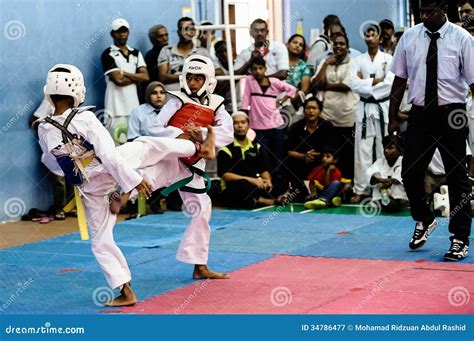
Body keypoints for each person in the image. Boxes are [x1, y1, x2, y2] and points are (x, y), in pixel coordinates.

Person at [36, 64, 218, 306]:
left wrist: (83, 172)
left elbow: (52, 164)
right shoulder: (86, 117)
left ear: (49, 92)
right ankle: (196, 148)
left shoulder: (44, 128)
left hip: (91, 187)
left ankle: (125, 291)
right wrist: (134, 179)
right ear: (77, 90)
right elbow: (109, 155)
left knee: (101, 240)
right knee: (148, 145)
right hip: (116, 168)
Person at [388, 0, 474, 261]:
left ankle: (460, 238)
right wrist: (392, 118)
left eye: (429, 11)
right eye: (420, 12)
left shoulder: (462, 38)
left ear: (444, 9)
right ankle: (424, 218)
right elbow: (399, 79)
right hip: (420, 113)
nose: (423, 16)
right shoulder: (410, 37)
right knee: (410, 172)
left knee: (457, 176)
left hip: (453, 114)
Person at [148, 55, 234, 279]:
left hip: (193, 163)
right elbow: (155, 127)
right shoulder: (176, 100)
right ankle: (115, 194)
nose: (194, 82)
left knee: (202, 209)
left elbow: (228, 132)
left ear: (208, 80)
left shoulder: (216, 104)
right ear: (183, 78)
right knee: (139, 183)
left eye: (199, 78)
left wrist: (203, 134)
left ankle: (199, 265)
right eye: (190, 77)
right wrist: (180, 134)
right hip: (170, 157)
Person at [351, 24, 394, 204]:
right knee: (362, 149)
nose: (370, 38)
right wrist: (376, 81)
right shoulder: (357, 60)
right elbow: (353, 83)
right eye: (367, 35)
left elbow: (391, 83)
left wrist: (366, 83)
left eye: (373, 34)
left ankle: (383, 188)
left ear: (380, 38)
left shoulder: (389, 59)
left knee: (383, 149)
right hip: (364, 108)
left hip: (383, 107)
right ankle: (361, 189)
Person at [312, 32, 359, 180]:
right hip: (327, 116)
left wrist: (325, 86)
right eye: (336, 43)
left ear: (347, 47)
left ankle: (347, 186)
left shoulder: (353, 63)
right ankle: (330, 184)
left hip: (347, 116)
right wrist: (326, 65)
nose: (338, 46)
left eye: (342, 43)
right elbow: (316, 83)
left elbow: (346, 85)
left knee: (347, 153)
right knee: (330, 153)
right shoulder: (325, 62)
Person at [218, 112, 289, 209]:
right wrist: (253, 181)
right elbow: (226, 176)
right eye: (236, 123)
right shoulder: (225, 149)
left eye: (243, 122)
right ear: (231, 126)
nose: (240, 126)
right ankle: (267, 201)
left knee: (281, 180)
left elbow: (263, 169)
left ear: (248, 125)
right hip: (236, 186)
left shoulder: (256, 146)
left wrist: (267, 181)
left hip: (254, 186)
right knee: (242, 185)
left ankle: (256, 200)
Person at [241, 57, 297, 172]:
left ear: (265, 69)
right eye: (254, 69)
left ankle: (279, 181)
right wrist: (244, 118)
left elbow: (292, 89)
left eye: (260, 68)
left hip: (276, 124)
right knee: (263, 155)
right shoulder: (249, 80)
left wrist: (281, 101)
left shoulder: (274, 82)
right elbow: (246, 100)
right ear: (251, 70)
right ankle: (267, 182)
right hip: (258, 126)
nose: (257, 71)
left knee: (279, 155)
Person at [101, 18, 149, 136]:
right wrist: (137, 76)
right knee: (116, 142)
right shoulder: (108, 54)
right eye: (118, 31)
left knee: (134, 142)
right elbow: (119, 80)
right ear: (112, 34)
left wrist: (125, 73)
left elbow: (146, 76)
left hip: (133, 105)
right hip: (115, 107)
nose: (122, 35)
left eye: (124, 31)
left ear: (128, 32)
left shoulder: (135, 53)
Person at [286, 96, 335, 202]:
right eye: (308, 108)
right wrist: (304, 156)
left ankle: (324, 192)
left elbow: (332, 151)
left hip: (320, 162)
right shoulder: (296, 127)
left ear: (320, 111)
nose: (311, 111)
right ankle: (299, 190)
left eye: (314, 108)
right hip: (301, 162)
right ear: (303, 110)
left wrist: (317, 155)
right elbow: (289, 151)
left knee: (330, 164)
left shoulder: (327, 126)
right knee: (287, 163)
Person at [158, 17, 214, 91]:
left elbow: (218, 71)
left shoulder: (202, 52)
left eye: (190, 29)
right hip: (173, 97)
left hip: (195, 98)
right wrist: (193, 75)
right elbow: (163, 77)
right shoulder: (166, 51)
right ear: (178, 32)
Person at [367, 134, 408, 213]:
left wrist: (391, 181)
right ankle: (385, 202)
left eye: (390, 148)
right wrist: (382, 180)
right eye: (385, 148)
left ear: (400, 151)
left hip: (400, 200)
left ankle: (394, 201)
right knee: (376, 174)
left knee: (400, 171)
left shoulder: (404, 161)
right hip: (381, 199)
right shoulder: (379, 162)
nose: (386, 151)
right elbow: (370, 175)